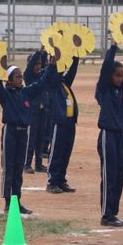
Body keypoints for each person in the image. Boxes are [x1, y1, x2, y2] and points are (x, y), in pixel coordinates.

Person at [0, 56, 57, 215]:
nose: (21, 79)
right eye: (17, 77)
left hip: (23, 133)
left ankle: (17, 201)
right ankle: (8, 202)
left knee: (18, 169)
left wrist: (51, 66)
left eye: (21, 76)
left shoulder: (26, 93)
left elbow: (42, 83)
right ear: (9, 80)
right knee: (9, 167)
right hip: (10, 132)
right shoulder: (5, 95)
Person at [95, 42, 123, 227]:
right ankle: (106, 214)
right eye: (117, 75)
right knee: (109, 174)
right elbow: (105, 69)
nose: (120, 79)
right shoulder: (104, 88)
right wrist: (112, 47)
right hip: (107, 135)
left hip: (120, 135)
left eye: (121, 76)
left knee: (119, 175)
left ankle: (114, 212)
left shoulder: (120, 90)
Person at [46, 55, 80, 194]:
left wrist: (76, 55)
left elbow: (72, 71)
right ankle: (52, 181)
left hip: (69, 122)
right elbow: (55, 74)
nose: (65, 68)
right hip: (59, 122)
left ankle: (61, 179)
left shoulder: (64, 83)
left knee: (66, 151)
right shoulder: (53, 84)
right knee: (56, 152)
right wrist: (56, 63)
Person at [23, 48, 49, 174]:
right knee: (31, 138)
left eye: (39, 64)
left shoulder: (42, 76)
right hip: (32, 111)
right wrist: (39, 52)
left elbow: (49, 69)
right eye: (36, 64)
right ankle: (27, 164)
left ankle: (38, 164)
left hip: (43, 111)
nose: (38, 66)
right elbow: (30, 67)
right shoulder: (28, 76)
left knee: (41, 137)